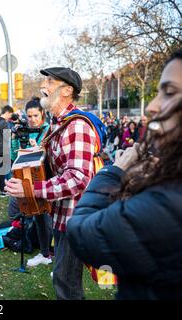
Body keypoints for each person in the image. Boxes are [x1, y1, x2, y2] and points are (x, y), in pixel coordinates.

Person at [67, 49, 182, 300]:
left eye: (170, 92)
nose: (152, 107)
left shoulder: (169, 203)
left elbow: (81, 232)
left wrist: (113, 172)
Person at [5, 67, 97, 300]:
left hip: (75, 217)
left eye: (50, 82)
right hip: (62, 214)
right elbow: (56, 158)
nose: (43, 87)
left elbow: (78, 178)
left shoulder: (77, 126)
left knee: (66, 285)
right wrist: (35, 154)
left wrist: (31, 189)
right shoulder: (59, 123)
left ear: (67, 90)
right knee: (62, 278)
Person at [9, 97, 53, 268]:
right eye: (29, 116)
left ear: (42, 113)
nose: (33, 119)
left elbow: (48, 154)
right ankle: (44, 253)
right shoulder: (25, 130)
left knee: (49, 217)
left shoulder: (49, 129)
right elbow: (15, 156)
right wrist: (15, 138)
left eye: (36, 115)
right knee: (39, 216)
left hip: (49, 178)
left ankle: (53, 251)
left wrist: (38, 147)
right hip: (30, 177)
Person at [0, 105, 14, 197]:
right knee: (5, 170)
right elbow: (7, 137)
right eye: (11, 114)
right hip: (3, 148)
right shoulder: (4, 123)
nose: (11, 117)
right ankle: (4, 190)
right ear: (7, 112)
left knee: (1, 171)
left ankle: (2, 190)